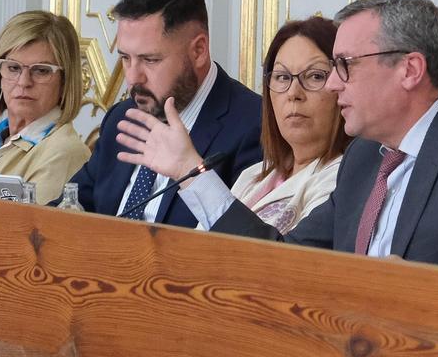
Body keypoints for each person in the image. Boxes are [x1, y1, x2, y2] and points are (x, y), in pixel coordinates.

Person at [177, 0, 438, 273]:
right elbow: (284, 262)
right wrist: (193, 176)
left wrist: (431, 296)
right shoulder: (362, 159)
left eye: (345, 65)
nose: (331, 85)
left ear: (410, 70)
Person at [61, 0, 263, 228]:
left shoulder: (252, 126)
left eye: (150, 60)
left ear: (199, 50)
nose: (133, 78)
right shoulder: (122, 118)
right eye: (125, 58)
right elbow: (70, 207)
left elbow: (243, 245)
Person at [116, 17, 350, 233]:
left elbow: (274, 262)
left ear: (342, 85)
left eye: (315, 76)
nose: (294, 93)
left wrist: (189, 170)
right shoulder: (254, 175)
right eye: (282, 77)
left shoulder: (345, 180)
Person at [0, 11, 91, 203]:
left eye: (41, 70)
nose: (24, 82)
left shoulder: (64, 152)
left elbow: (28, 230)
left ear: (65, 81)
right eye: (13, 68)